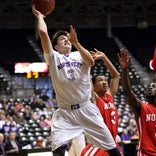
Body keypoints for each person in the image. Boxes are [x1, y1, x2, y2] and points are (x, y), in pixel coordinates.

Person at [32, 4, 121, 156]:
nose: (66, 40)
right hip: (65, 112)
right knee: (58, 150)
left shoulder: (78, 54)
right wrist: (40, 17)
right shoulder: (53, 57)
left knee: (113, 150)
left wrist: (77, 43)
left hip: (87, 109)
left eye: (68, 38)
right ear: (55, 46)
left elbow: (91, 62)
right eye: (62, 39)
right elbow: (42, 33)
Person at [81, 49, 123, 156]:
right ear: (94, 86)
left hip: (113, 143)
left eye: (105, 80)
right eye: (100, 80)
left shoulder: (109, 96)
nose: (104, 82)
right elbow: (87, 81)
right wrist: (89, 64)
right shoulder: (94, 99)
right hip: (100, 145)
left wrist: (104, 57)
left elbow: (115, 76)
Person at [118, 49, 156, 156]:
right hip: (146, 153)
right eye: (149, 86)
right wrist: (125, 70)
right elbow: (127, 92)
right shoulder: (141, 107)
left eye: (153, 87)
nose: (150, 87)